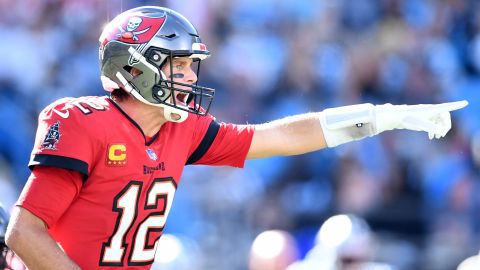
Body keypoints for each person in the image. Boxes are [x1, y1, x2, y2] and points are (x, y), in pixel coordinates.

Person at [4, 6, 467, 270]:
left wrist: (378, 117)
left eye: (191, 65)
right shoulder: (84, 121)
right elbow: (24, 231)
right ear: (130, 66)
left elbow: (278, 136)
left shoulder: (180, 131)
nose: (188, 76)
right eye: (176, 63)